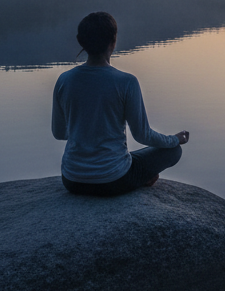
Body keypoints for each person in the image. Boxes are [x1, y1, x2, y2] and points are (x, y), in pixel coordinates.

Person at [52, 11, 189, 195]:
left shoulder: (64, 80)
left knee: (127, 157)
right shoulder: (126, 82)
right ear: (113, 41)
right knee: (173, 151)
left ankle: (137, 174)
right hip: (113, 180)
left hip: (72, 180)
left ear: (80, 41)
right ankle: (142, 178)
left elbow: (59, 133)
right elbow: (143, 135)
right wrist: (174, 139)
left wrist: (85, 131)